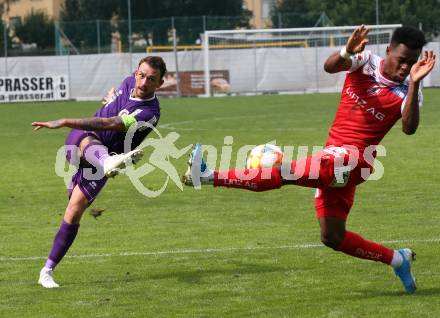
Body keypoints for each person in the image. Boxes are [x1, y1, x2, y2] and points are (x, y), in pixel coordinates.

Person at [182, 25, 436, 294]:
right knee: (332, 237)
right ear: (389, 51)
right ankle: (398, 259)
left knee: (282, 171)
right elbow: (331, 67)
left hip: (354, 162)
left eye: (411, 62)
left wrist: (416, 83)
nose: (406, 67)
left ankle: (208, 175)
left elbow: (409, 128)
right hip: (332, 157)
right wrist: (347, 51)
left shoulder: (409, 89)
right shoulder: (366, 62)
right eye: (402, 60)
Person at [32, 56, 167, 288]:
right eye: (142, 75)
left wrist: (63, 119)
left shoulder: (149, 113)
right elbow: (109, 106)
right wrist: (108, 99)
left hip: (104, 159)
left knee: (74, 210)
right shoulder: (127, 83)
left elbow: (108, 123)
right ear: (136, 73)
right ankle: (106, 162)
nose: (144, 82)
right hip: (80, 141)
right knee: (87, 138)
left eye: (151, 79)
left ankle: (47, 271)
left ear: (160, 84)